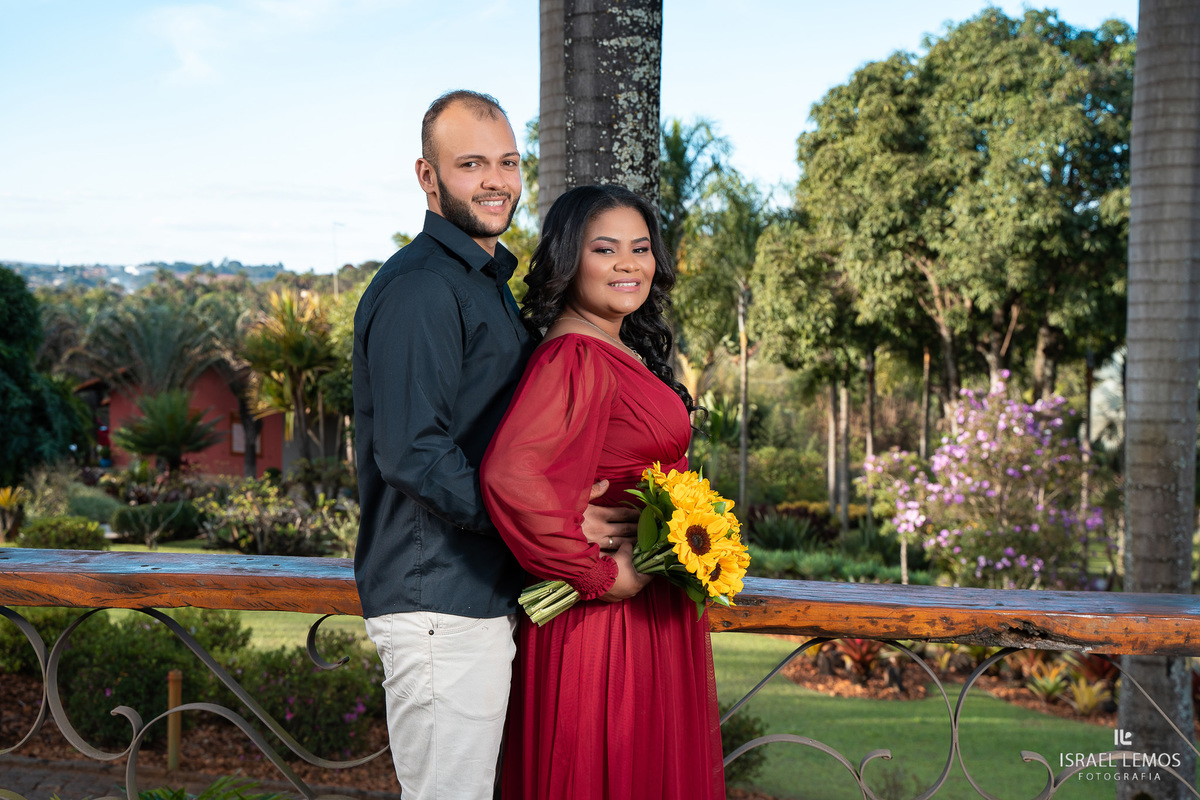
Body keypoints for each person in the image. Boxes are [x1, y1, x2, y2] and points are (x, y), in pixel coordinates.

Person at [352, 91, 636, 800]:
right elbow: (415, 453)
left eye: (508, 162)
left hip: (474, 599)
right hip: (438, 605)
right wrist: (550, 525)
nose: (496, 180)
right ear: (427, 176)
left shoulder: (483, 285)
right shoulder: (423, 288)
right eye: (471, 163)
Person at [480, 184, 726, 800]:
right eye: (605, 248)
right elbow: (511, 476)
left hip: (648, 613)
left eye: (640, 248)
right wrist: (593, 571)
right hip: (605, 626)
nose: (628, 264)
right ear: (570, 260)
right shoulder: (575, 356)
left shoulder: (616, 347)